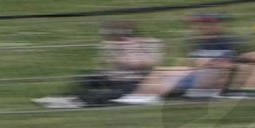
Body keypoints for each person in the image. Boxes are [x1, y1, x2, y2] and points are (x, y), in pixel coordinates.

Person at [34, 20, 165, 108]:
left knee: (108, 94)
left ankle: (83, 101)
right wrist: (110, 56)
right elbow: (105, 62)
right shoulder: (115, 44)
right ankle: (68, 97)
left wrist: (123, 56)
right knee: (87, 77)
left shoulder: (146, 42)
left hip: (135, 81)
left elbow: (149, 61)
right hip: (115, 77)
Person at [115, 13, 239, 103]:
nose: (197, 27)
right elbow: (189, 62)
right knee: (160, 71)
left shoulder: (226, 41)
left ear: (217, 25)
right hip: (199, 74)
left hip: (211, 77)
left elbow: (231, 64)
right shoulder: (199, 42)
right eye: (196, 24)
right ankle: (141, 95)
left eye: (202, 24)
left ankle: (147, 96)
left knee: (166, 75)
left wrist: (204, 64)